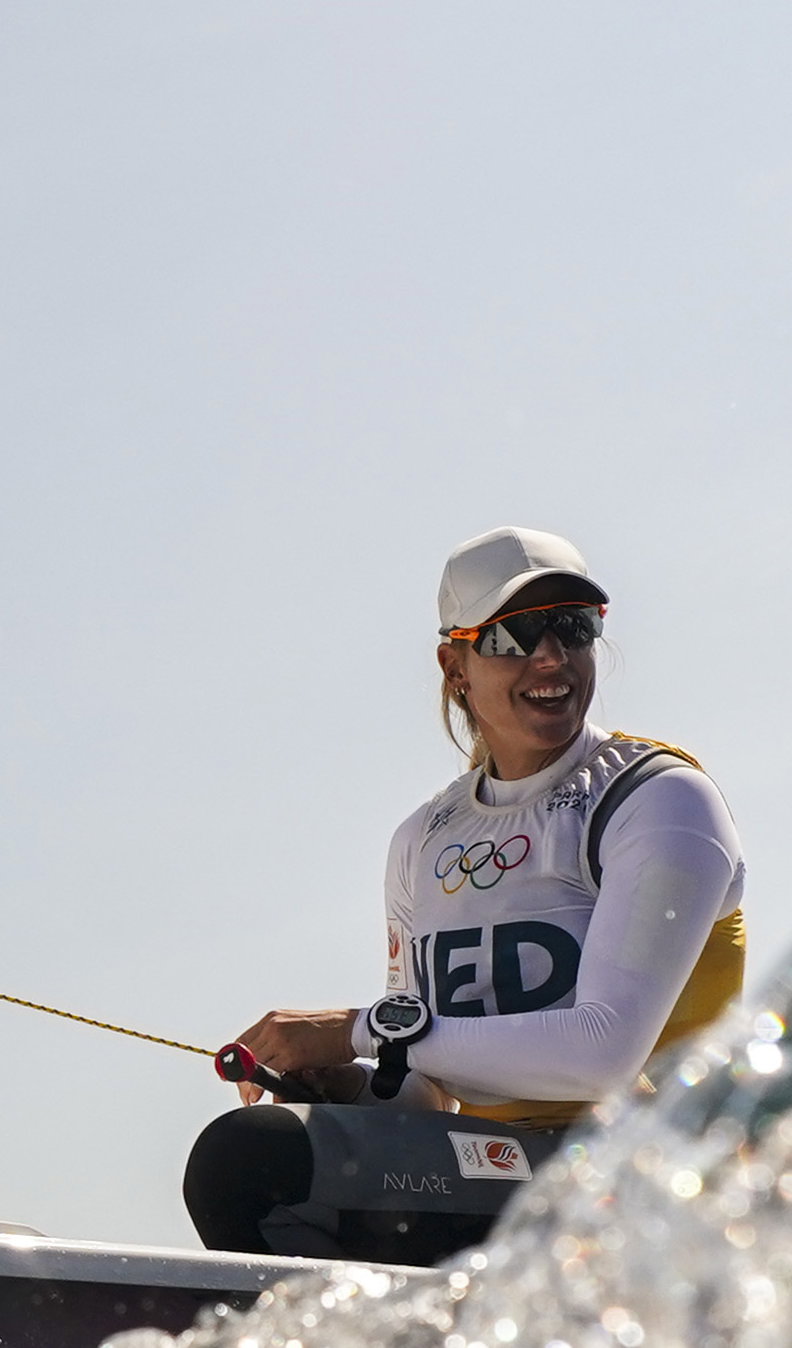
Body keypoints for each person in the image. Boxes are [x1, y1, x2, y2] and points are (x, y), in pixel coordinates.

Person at [187, 526, 748, 1261]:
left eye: (571, 627)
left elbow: (603, 1056)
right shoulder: (423, 839)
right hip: (503, 1171)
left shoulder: (660, 797)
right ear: (455, 664)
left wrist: (363, 1031)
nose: (549, 656)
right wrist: (351, 1084)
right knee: (266, 1155)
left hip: (657, 1184)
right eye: (512, 635)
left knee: (253, 1159)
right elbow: (427, 1094)